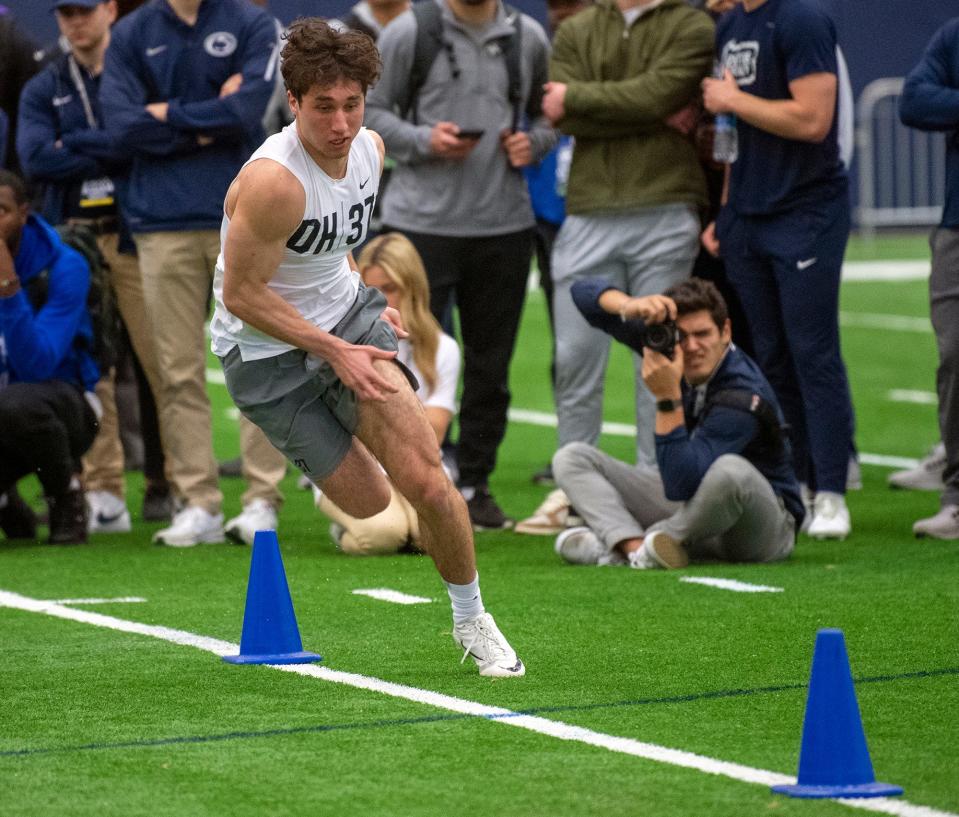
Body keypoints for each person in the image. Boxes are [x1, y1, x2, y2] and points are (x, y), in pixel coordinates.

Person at [210, 19, 524, 677]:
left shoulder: (373, 150)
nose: (340, 122)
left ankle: (473, 619)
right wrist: (333, 351)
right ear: (293, 102)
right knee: (369, 503)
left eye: (351, 104)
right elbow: (242, 294)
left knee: (427, 479)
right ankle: (338, 435)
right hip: (264, 355)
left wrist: (363, 301)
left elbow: (334, 242)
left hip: (346, 322)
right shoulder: (273, 182)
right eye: (323, 106)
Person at [100, 0, 288, 546]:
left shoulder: (251, 23)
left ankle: (261, 500)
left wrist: (163, 113)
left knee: (257, 357)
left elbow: (248, 110)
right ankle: (197, 500)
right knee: (175, 371)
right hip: (160, 221)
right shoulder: (133, 31)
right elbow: (121, 125)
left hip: (242, 216)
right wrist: (206, 118)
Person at [365, 0, 556, 530]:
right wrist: (425, 140)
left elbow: (548, 116)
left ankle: (474, 481)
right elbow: (369, 112)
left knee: (491, 366)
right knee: (403, 353)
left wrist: (533, 143)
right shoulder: (410, 31)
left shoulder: (529, 37)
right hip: (419, 224)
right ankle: (411, 478)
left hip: (504, 224)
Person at [701, 0, 855, 539]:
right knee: (769, 356)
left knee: (812, 351)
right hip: (748, 210)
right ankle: (800, 483)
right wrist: (725, 207)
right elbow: (730, 130)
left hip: (804, 208)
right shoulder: (731, 24)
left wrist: (734, 99)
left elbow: (814, 120)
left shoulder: (803, 18)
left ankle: (833, 490)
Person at [17, 0, 171, 533]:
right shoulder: (45, 83)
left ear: (110, 9)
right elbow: (36, 159)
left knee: (163, 365)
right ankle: (104, 490)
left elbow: (157, 139)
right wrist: (118, 146)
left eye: (84, 10)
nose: (75, 22)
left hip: (135, 233)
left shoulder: (141, 68)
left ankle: (166, 482)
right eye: (65, 14)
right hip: (74, 238)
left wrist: (78, 143)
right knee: (92, 364)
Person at [543, 0, 714, 475]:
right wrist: (649, 108)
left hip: (666, 208)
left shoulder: (692, 24)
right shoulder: (576, 28)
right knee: (574, 359)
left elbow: (655, 95)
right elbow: (563, 115)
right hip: (588, 210)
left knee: (658, 357)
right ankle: (572, 486)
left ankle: (658, 484)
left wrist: (578, 96)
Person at [554, 277, 802, 569]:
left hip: (760, 527)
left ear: (725, 331)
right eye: (682, 336)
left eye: (703, 334)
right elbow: (582, 294)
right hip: (698, 512)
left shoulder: (742, 393)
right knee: (572, 457)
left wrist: (667, 397)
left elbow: (681, 483)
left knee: (730, 472)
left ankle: (630, 545)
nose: (693, 346)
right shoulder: (668, 346)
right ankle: (637, 549)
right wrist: (631, 305)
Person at [314, 232, 460, 555]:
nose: (381, 300)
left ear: (414, 291)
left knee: (429, 536)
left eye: (391, 289)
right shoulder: (340, 345)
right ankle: (352, 527)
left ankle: (398, 519)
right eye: (372, 290)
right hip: (356, 466)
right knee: (383, 536)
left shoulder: (442, 349)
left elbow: (432, 433)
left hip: (412, 463)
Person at [0, 170, 100, 545]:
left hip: (67, 405)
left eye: (2, 210)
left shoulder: (64, 266)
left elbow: (37, 364)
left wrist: (8, 286)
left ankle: (66, 496)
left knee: (15, 405)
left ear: (24, 214)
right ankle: (8, 504)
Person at [898, 17, 959, 540]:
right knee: (955, 354)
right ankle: (958, 494)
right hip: (957, 225)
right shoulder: (953, 35)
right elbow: (913, 101)